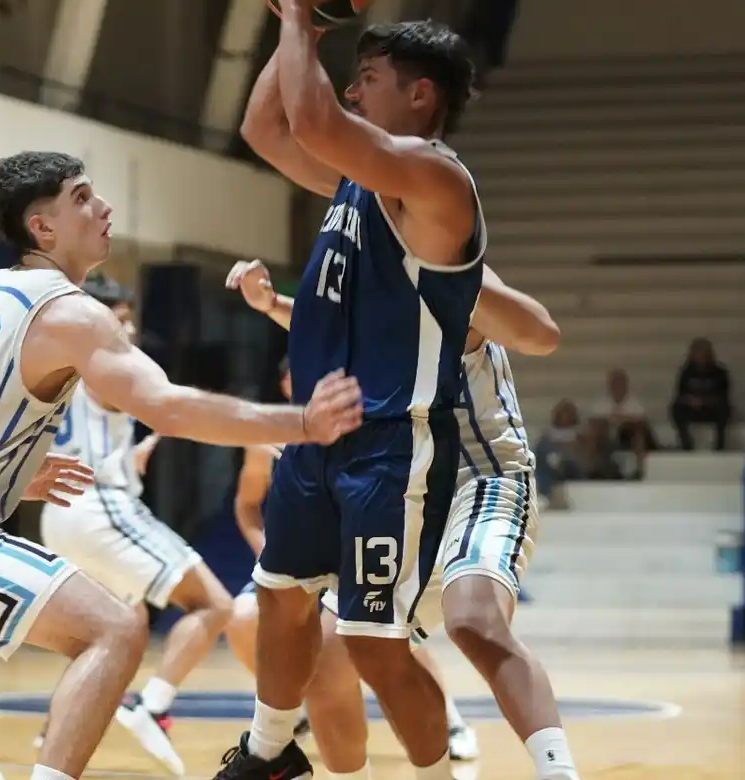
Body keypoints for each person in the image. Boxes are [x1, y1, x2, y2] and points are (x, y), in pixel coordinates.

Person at [0, 151, 364, 780]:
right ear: (42, 227)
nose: (104, 207)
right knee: (114, 631)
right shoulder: (70, 311)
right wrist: (303, 423)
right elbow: (168, 408)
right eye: (83, 197)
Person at [219, 0, 485, 777]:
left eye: (368, 78)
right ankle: (269, 752)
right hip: (317, 433)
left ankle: (438, 774)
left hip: (390, 445)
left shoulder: (435, 180)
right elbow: (266, 128)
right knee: (279, 596)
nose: (352, 89)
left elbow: (313, 122)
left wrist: (303, 10)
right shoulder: (359, 182)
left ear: (420, 95)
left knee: (374, 645)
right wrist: (297, 16)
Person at [229, 260, 582, 780]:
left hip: (481, 478)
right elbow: (340, 326)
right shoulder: (365, 273)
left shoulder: (446, 265)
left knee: (472, 619)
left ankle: (557, 770)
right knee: (329, 656)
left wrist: (455, 280)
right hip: (405, 489)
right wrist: (272, 304)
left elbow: (542, 333)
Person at [224, 358, 479, 762]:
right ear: (286, 384)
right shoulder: (269, 438)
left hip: (357, 553)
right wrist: (265, 549)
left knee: (391, 638)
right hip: (300, 559)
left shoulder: (365, 421)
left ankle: (450, 721)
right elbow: (247, 504)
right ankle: (302, 707)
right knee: (242, 618)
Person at [33, 273, 236, 775]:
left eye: (130, 321)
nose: (128, 331)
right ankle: (154, 706)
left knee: (118, 628)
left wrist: (128, 455)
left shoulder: (52, 365)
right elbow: (172, 407)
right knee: (214, 604)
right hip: (99, 507)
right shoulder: (105, 363)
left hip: (59, 510)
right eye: (119, 320)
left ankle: (53, 734)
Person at [669, 337, 732, 451]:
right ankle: (685, 440)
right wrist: (690, 400)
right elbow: (680, 394)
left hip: (711, 409)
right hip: (692, 409)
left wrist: (706, 401)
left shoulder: (720, 373)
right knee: (676, 408)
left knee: (725, 409)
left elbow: (724, 396)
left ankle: (719, 443)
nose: (700, 357)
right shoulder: (686, 372)